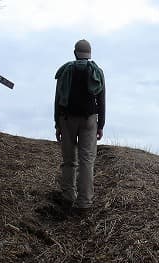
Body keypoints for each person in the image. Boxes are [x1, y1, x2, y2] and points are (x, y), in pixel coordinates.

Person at [54, 39, 105, 216]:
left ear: (75, 53)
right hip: (90, 120)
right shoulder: (97, 72)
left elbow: (57, 99)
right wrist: (101, 125)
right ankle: (84, 202)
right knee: (87, 161)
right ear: (89, 54)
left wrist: (57, 124)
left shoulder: (65, 71)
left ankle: (68, 196)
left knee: (69, 160)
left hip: (66, 119)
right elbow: (102, 101)